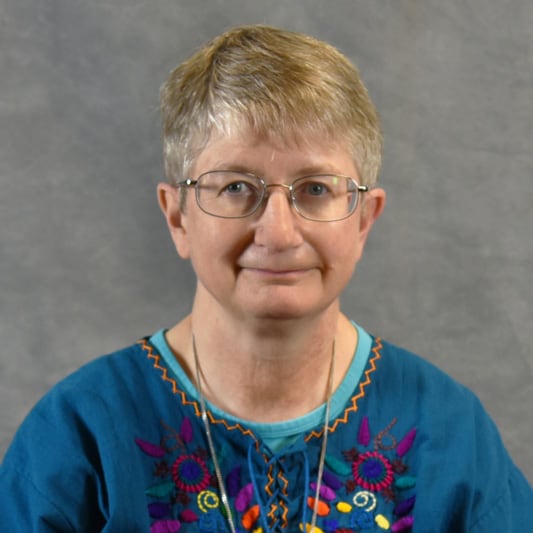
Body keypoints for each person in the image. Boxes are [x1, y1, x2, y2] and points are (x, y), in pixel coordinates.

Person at [0, 24, 531, 533]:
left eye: (316, 189)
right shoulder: (78, 437)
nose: (278, 233)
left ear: (364, 220)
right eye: (235, 187)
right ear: (178, 217)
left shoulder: (451, 435)